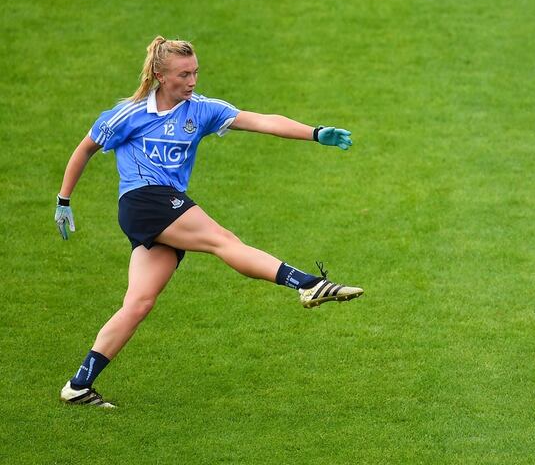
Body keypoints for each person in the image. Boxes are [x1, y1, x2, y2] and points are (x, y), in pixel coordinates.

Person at [55, 37, 363, 407]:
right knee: (222, 239)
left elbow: (260, 120)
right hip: (144, 201)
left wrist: (314, 133)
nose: (192, 81)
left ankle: (78, 385)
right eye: (184, 74)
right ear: (159, 75)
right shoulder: (129, 114)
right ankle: (308, 284)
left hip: (166, 208)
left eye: (195, 72)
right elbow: (85, 147)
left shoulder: (202, 110)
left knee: (138, 303)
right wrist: (64, 199)